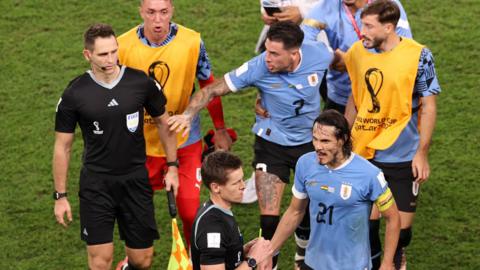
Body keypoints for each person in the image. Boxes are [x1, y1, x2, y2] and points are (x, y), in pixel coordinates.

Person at [169, 21, 333, 268]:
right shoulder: (258, 68)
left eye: (275, 54)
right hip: (272, 143)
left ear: (294, 52)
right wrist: (188, 114)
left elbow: (319, 23)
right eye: (266, 50)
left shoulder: (319, 54)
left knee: (308, 208)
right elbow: (212, 90)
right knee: (269, 220)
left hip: (309, 145)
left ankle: (302, 252)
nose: (267, 58)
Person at [52, 23, 178, 270]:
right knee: (101, 261)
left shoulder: (140, 82)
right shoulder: (75, 93)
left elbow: (164, 124)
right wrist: (60, 196)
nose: (110, 59)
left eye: (113, 51)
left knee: (142, 260)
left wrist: (172, 166)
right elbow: (62, 147)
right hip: (96, 184)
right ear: (87, 55)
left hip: (135, 180)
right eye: (102, 54)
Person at [117, 0, 232, 248]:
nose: (157, 20)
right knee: (134, 211)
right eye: (151, 13)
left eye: (163, 12)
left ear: (172, 11)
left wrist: (220, 128)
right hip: (140, 145)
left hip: (185, 140)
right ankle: (135, 258)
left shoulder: (192, 42)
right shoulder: (122, 45)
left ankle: (194, 256)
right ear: (140, 12)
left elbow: (208, 85)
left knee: (190, 211)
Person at [343, 0, 441, 269]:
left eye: (368, 26)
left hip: (403, 154)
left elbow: (429, 106)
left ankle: (394, 258)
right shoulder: (357, 52)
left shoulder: (419, 55)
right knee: (368, 226)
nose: (362, 31)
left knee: (402, 232)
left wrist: (422, 153)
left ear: (388, 27)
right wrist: (342, 140)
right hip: (364, 153)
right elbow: (354, 98)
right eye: (362, 24)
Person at [269, 110, 401, 270]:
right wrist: (270, 251)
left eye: (325, 141)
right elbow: (295, 212)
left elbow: (392, 217)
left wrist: (387, 262)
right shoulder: (305, 164)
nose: (318, 146)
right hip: (313, 264)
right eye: (315, 139)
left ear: (342, 140)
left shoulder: (369, 174)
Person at [301, 0, 412, 113]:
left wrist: (353, 63)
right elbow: (302, 43)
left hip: (383, 94)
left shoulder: (389, 5)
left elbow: (404, 53)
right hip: (341, 96)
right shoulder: (324, 7)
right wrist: (332, 56)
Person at [191, 151, 272, 270]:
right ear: (216, 187)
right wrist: (252, 260)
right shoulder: (211, 227)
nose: (243, 186)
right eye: (236, 183)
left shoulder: (218, 210)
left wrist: (242, 250)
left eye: (242, 179)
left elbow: (222, 252)